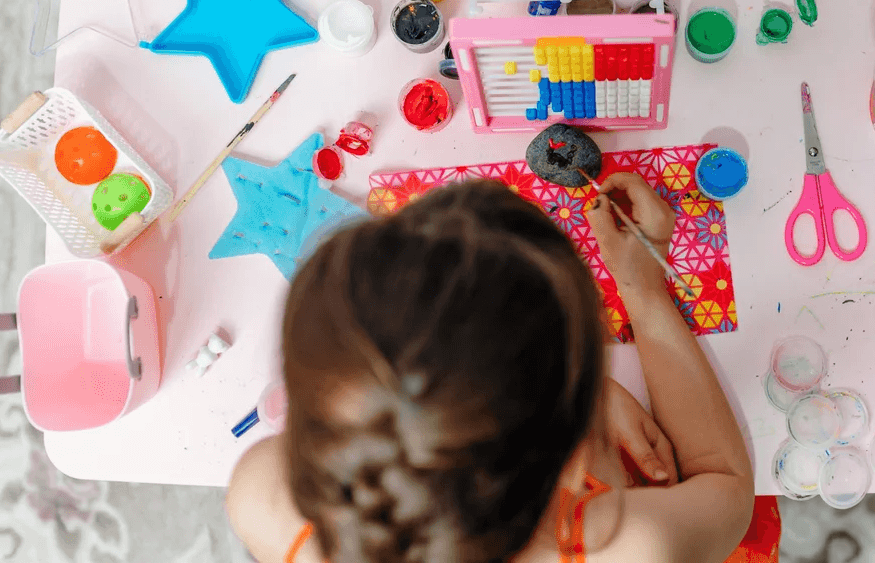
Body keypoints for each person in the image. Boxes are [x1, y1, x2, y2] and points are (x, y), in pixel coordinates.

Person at [227, 174, 768, 563]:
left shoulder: (261, 494)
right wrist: (643, 292)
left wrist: (564, 387)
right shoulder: (631, 547)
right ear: (583, 461)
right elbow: (725, 486)